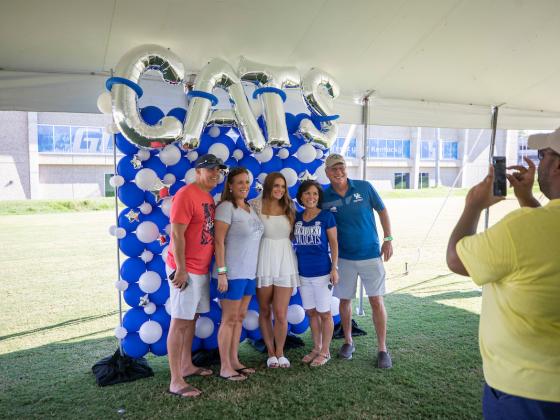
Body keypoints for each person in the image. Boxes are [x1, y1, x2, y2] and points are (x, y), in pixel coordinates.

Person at [446, 131, 560, 418]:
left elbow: (456, 259)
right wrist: (527, 199)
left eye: (543, 155)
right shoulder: (535, 225)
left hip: (526, 393)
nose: (539, 160)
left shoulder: (521, 229)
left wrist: (473, 205)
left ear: (557, 167)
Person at [321, 153, 394, 368]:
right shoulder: (324, 196)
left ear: (346, 168)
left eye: (341, 167)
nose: (338, 171)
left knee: (376, 301)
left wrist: (388, 238)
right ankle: (348, 341)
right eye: (333, 168)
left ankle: (382, 349)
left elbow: (382, 211)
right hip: (344, 258)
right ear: (327, 172)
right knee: (345, 301)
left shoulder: (364, 187)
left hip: (371, 255)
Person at [165, 153, 227, 398]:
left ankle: (186, 365)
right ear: (198, 171)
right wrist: (180, 269)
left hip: (200, 268)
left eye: (218, 171)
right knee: (179, 321)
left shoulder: (208, 198)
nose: (215, 174)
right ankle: (175, 380)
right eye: (210, 169)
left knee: (191, 318)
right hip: (185, 268)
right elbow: (177, 235)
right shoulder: (186, 194)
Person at [214, 167, 264, 381]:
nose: (244, 186)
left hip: (249, 274)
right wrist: (222, 273)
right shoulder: (226, 207)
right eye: (239, 182)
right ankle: (225, 367)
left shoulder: (250, 208)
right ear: (230, 186)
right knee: (229, 319)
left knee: (239, 318)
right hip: (231, 274)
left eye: (247, 182)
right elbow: (218, 242)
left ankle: (234, 361)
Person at [251, 172, 299, 368]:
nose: (280, 190)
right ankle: (270, 353)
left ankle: (280, 352)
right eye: (276, 186)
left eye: (283, 186)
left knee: (280, 312)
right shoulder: (255, 205)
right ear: (268, 186)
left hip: (285, 260)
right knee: (264, 309)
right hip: (263, 259)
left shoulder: (290, 206)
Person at [293, 180, 339, 367]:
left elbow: (334, 244)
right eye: (307, 193)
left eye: (315, 194)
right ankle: (316, 347)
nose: (311, 197)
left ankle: (325, 351)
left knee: (324, 313)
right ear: (301, 196)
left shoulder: (327, 217)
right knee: (311, 312)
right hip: (303, 273)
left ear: (319, 197)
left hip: (322, 272)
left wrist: (334, 268)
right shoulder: (297, 217)